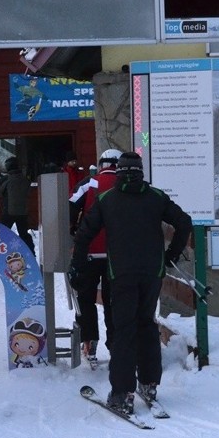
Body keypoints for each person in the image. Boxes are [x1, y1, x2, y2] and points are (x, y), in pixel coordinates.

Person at [69, 151, 192, 415]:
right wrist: (170, 255)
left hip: (121, 273)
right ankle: (149, 384)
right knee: (147, 325)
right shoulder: (156, 197)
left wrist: (77, 264)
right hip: (152, 272)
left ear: (119, 173)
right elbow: (184, 222)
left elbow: (84, 235)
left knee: (124, 330)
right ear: (140, 172)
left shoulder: (107, 199)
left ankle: (122, 393)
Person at [68, 148, 123, 367]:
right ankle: (116, 344)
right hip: (116, 255)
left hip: (89, 251)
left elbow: (70, 207)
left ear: (101, 165)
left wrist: (75, 230)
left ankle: (89, 342)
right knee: (113, 302)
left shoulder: (88, 184)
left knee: (86, 299)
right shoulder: (124, 186)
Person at [0, 156, 35, 254]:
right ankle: (31, 253)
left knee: (3, 233)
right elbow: (28, 192)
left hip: (8, 211)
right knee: (24, 234)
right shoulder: (25, 180)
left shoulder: (7, 179)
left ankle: (1, 253)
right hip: (23, 211)